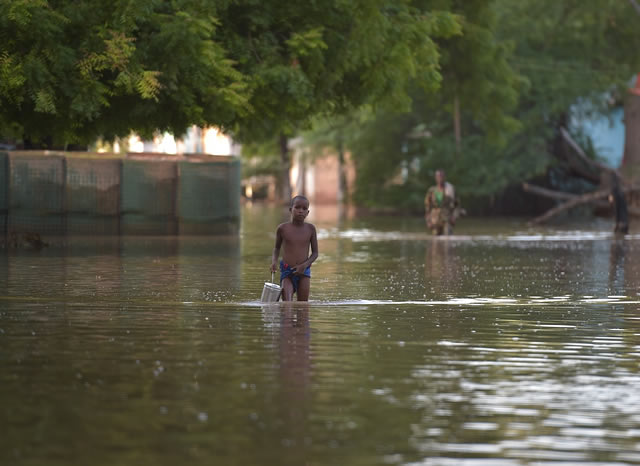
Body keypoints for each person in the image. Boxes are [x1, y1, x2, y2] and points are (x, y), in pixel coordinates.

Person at [271, 195, 319, 301]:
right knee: (287, 306)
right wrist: (274, 261)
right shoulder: (282, 228)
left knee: (303, 308)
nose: (300, 211)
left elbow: (315, 253)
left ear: (308, 212)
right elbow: (276, 248)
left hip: (304, 272)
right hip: (287, 271)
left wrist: (304, 265)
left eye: (304, 208)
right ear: (290, 210)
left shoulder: (310, 229)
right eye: (297, 207)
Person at [424, 169, 458, 235]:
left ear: (445, 177)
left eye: (442, 176)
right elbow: (427, 207)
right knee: (435, 241)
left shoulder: (450, 189)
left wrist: (454, 217)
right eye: (438, 176)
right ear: (435, 178)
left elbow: (457, 205)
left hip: (447, 219)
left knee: (447, 239)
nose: (440, 178)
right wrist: (428, 221)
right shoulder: (431, 191)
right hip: (435, 221)